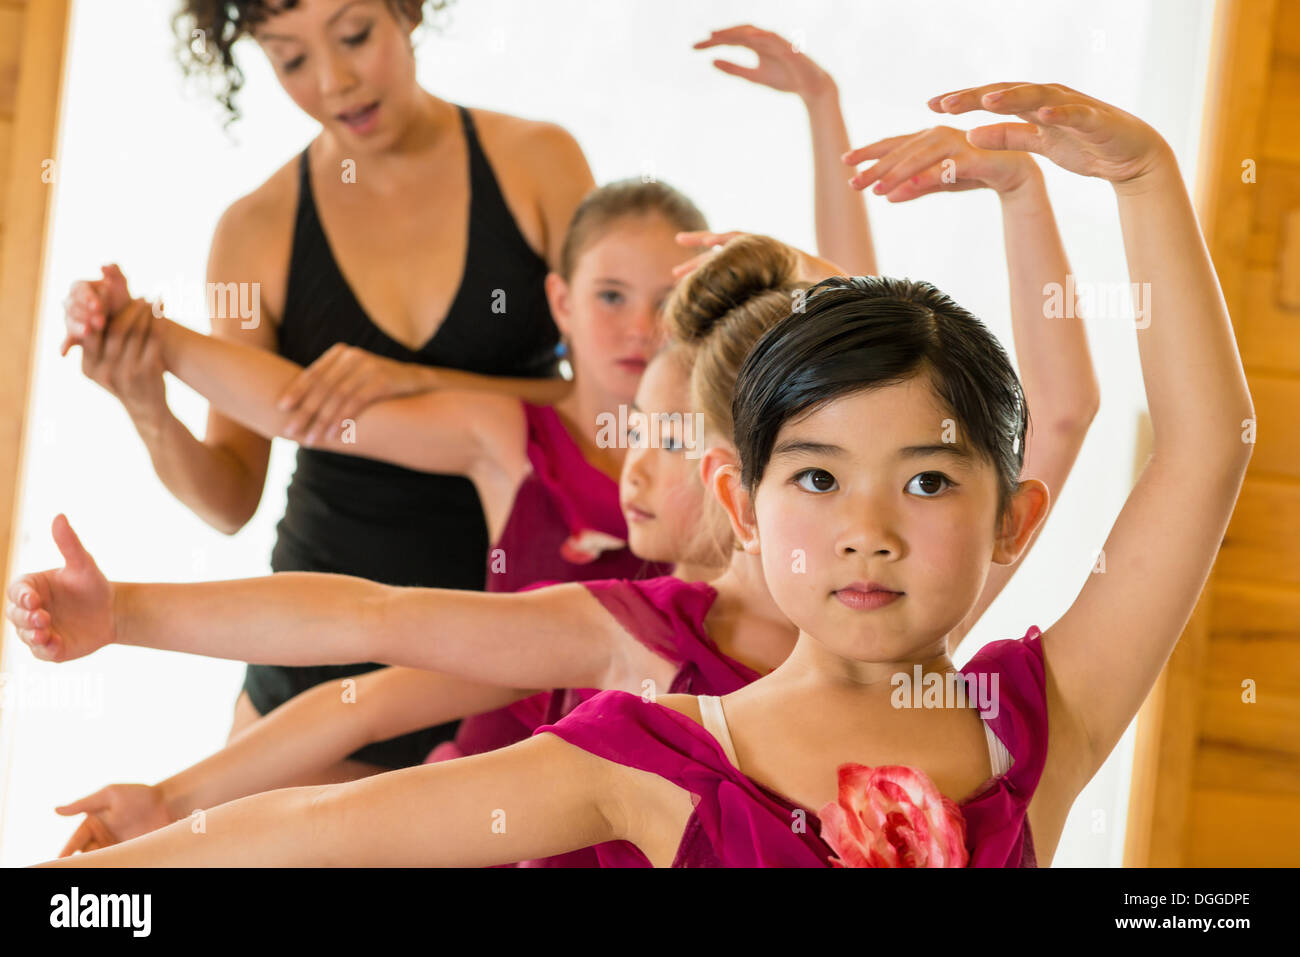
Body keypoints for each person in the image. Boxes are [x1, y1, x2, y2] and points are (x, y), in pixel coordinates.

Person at [18, 82, 1176, 866]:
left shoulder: (937, 641)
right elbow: (373, 644)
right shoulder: (644, 645)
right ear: (751, 502)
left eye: (667, 441)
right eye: (816, 480)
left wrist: (1029, 193)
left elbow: (1039, 413)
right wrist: (149, 694)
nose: (632, 467)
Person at [60, 0, 596, 775]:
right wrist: (147, 403)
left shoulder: (537, 164)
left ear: (406, 11)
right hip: (318, 642)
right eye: (291, 59)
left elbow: (628, 409)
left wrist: (415, 381)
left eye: (354, 36)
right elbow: (229, 496)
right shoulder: (255, 230)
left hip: (513, 636)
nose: (336, 80)